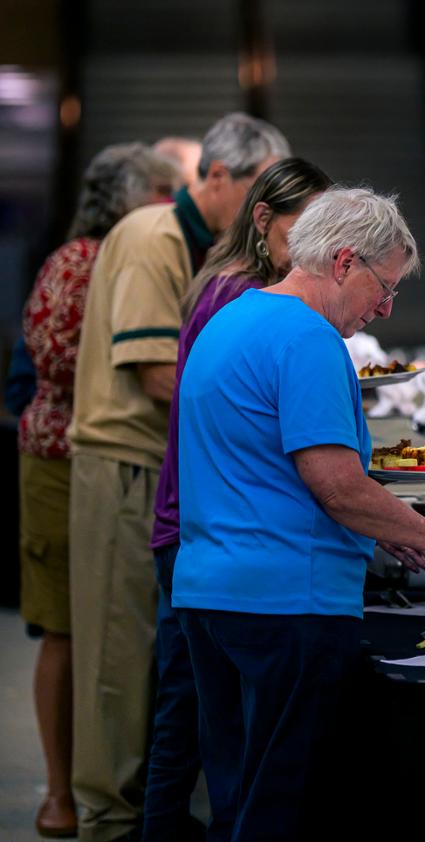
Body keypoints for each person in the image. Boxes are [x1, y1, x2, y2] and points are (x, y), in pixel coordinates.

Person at [172, 187, 425, 839]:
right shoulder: (308, 339)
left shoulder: (229, 319)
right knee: (284, 808)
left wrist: (396, 535)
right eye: (385, 284)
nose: (386, 306)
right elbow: (337, 487)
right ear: (344, 261)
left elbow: (263, 473)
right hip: (287, 605)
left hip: (211, 595)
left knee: (237, 799)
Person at [68, 112, 288, 842]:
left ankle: (143, 812)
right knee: (118, 655)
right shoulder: (153, 234)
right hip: (125, 460)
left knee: (155, 660)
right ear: (217, 177)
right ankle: (109, 818)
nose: (270, 212)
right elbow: (162, 372)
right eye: (262, 191)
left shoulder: (196, 242)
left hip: (158, 464)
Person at [142, 158, 332, 841]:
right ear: (263, 219)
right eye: (305, 225)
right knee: (197, 723)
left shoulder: (239, 287)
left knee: (201, 721)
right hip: (201, 531)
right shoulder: (241, 295)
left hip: (200, 531)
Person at [17, 143, 180, 839]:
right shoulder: (84, 260)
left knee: (118, 631)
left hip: (110, 453)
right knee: (66, 626)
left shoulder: (138, 253)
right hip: (64, 459)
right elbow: (53, 356)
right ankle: (62, 791)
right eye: (163, 192)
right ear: (132, 197)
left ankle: (113, 780)